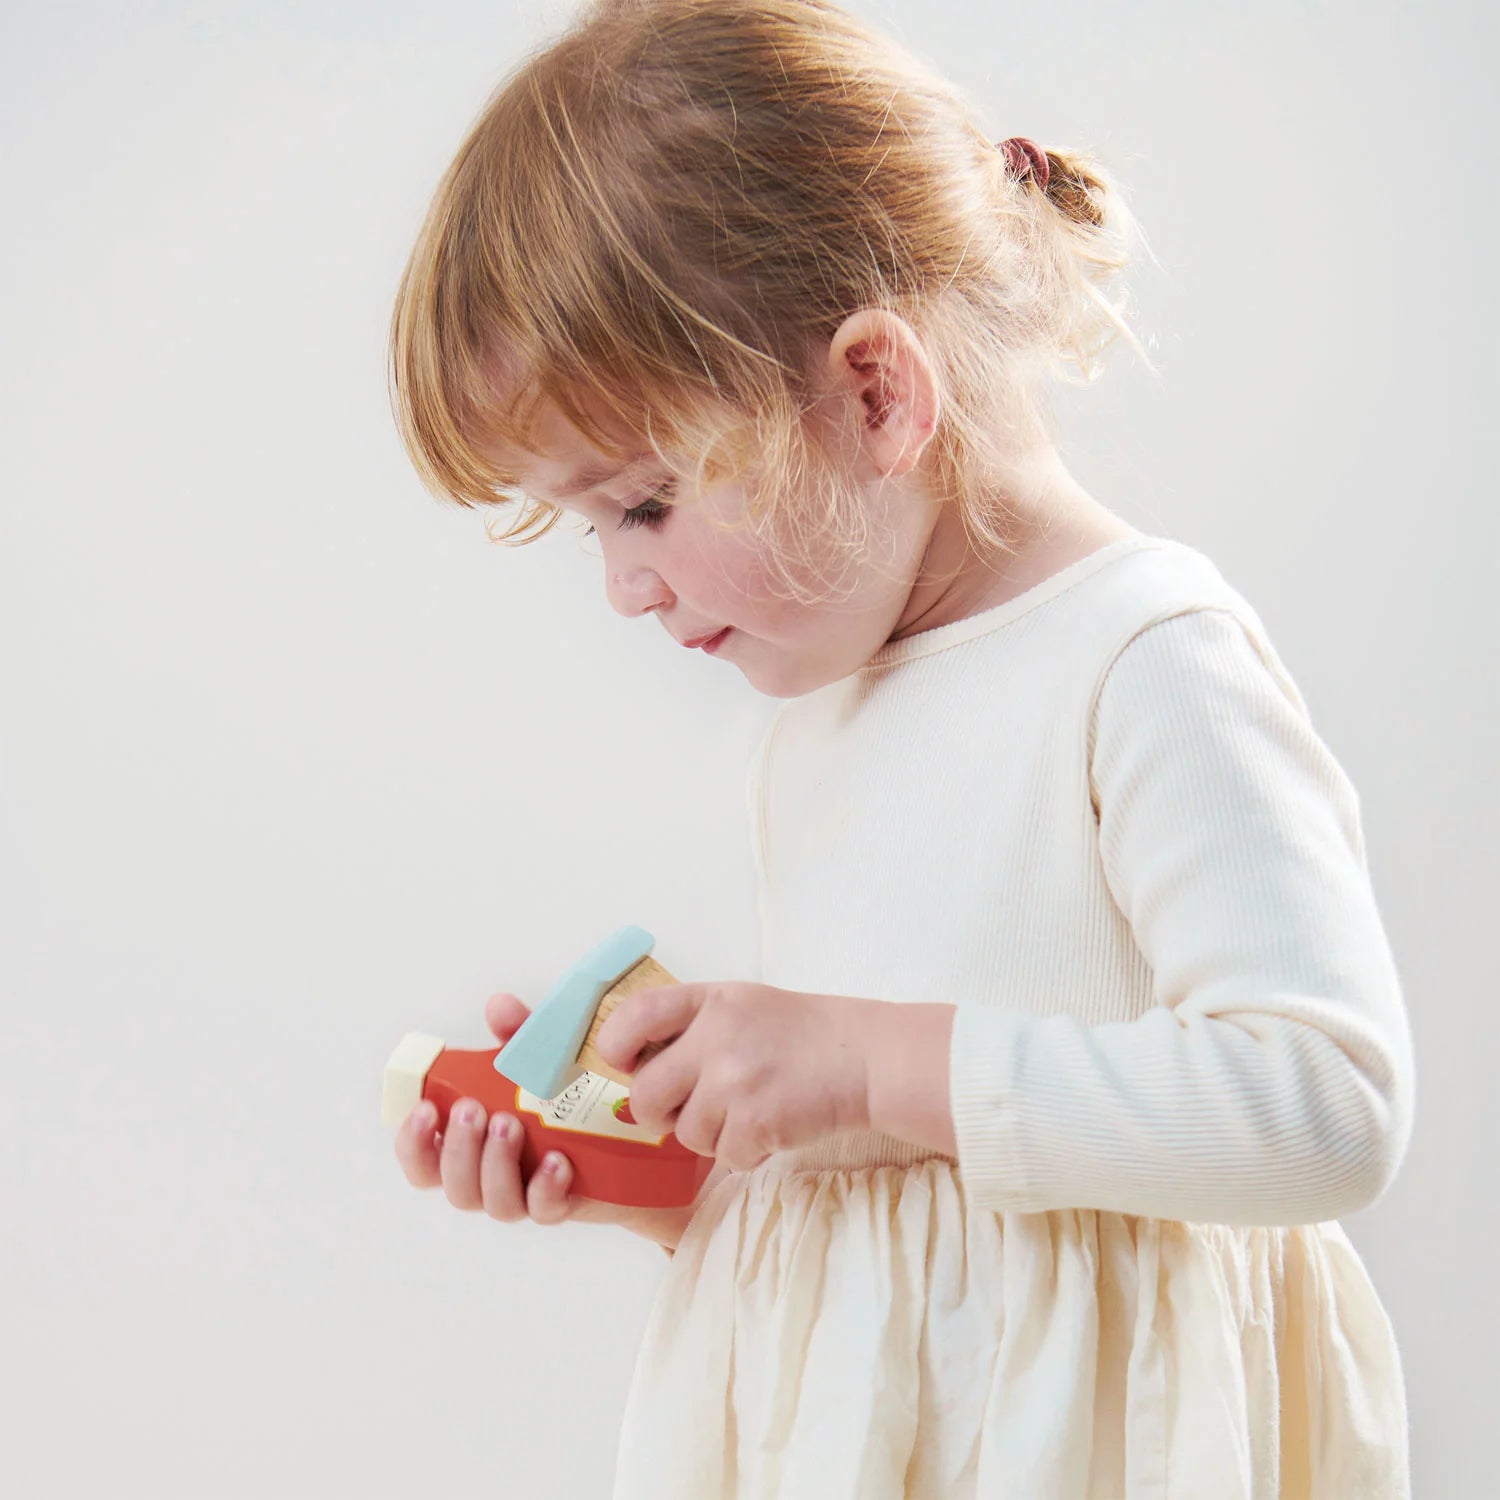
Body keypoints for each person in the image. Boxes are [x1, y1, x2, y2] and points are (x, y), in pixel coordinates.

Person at [387, 1, 1416, 1494]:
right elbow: (906, 1212)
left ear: (876, 392)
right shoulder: (824, 720)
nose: (623, 583)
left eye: (644, 503)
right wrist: (665, 1164)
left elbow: (1326, 1109)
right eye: (588, 525)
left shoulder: (1144, 660)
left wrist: (864, 1063)